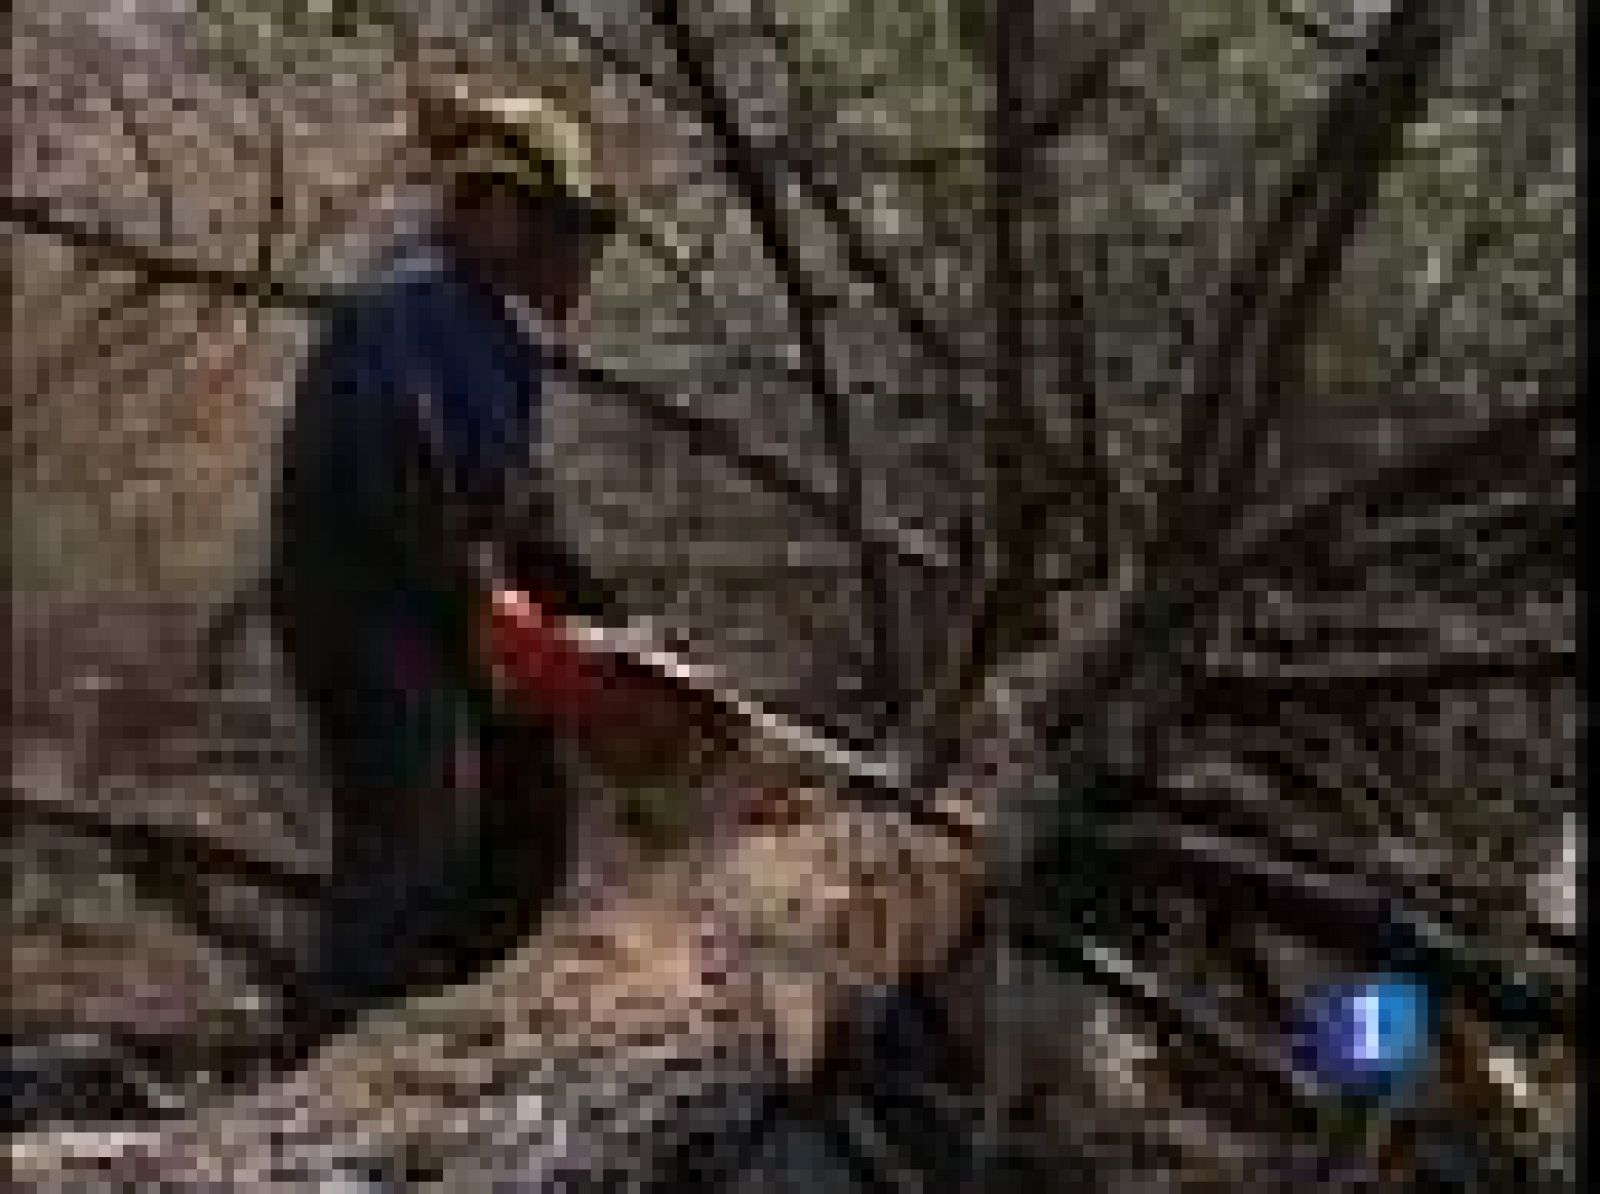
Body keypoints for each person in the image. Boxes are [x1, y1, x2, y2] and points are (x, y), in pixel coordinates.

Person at [267, 67, 638, 1035]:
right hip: (360, 610)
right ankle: (343, 1040)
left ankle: (458, 1005)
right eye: (560, 229)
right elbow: (401, 470)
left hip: (433, 604)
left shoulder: (497, 342)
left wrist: (597, 616)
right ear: (499, 209)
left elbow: (510, 502)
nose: (573, 260)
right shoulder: (398, 309)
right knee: (412, 818)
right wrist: (476, 595)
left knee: (528, 805)